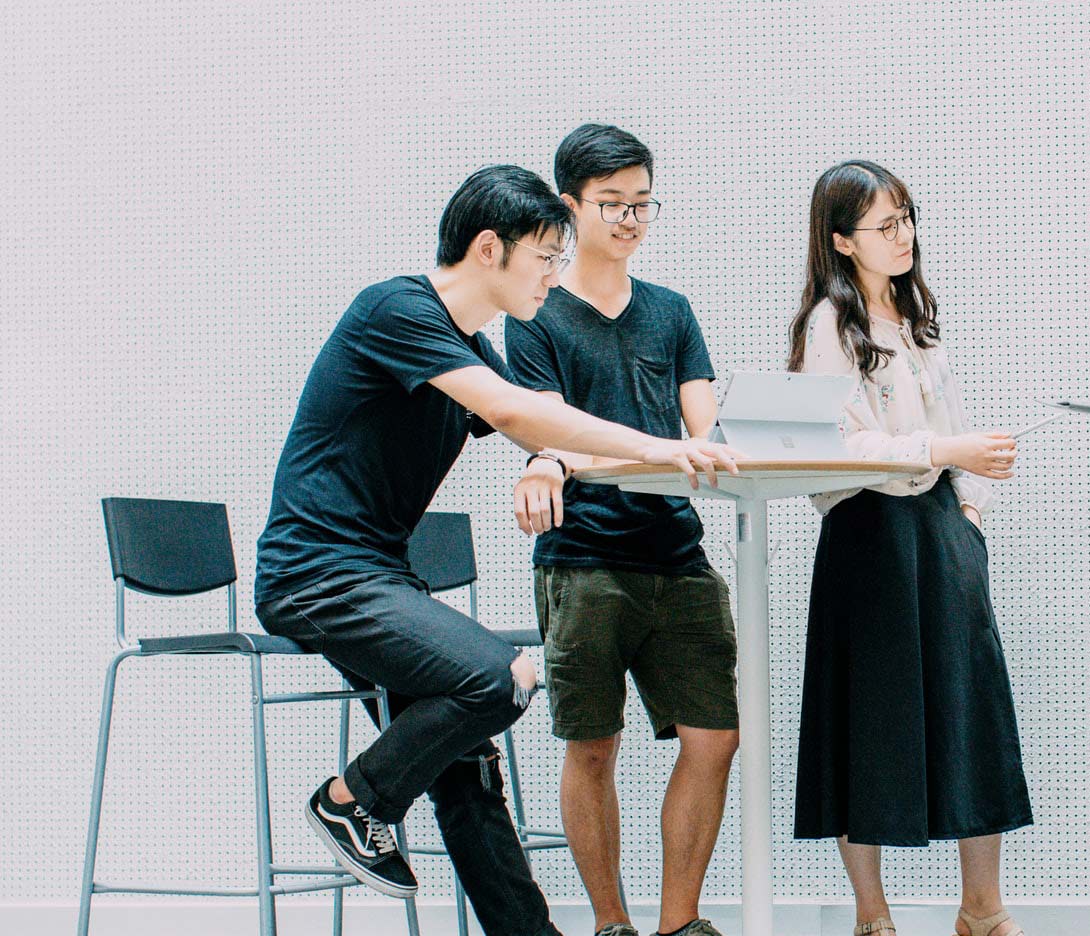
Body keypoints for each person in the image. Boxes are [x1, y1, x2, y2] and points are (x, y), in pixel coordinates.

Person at [253, 164, 740, 936]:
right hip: (318, 573)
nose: (555, 275)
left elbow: (539, 422)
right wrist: (658, 445)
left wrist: (637, 456)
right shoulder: (397, 308)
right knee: (500, 676)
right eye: (546, 257)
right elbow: (517, 409)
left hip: (380, 574)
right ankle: (351, 802)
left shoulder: (466, 343)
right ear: (490, 249)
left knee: (469, 764)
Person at [786, 160, 1032, 936]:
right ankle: (873, 916)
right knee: (871, 718)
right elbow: (842, 448)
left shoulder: (916, 316)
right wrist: (950, 450)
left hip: (940, 530)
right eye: (884, 225)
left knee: (972, 710)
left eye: (908, 218)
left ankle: (983, 910)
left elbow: (950, 429)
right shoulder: (831, 322)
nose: (904, 236)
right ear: (840, 240)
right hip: (872, 538)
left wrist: (969, 513)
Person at [505, 124, 738, 936]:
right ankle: (612, 925)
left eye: (644, 204)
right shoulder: (535, 314)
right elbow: (545, 425)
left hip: (677, 552)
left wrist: (721, 443)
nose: (631, 219)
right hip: (584, 560)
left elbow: (700, 424)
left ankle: (682, 923)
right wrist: (551, 462)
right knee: (592, 746)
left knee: (714, 736)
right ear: (570, 207)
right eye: (612, 205)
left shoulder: (671, 311)